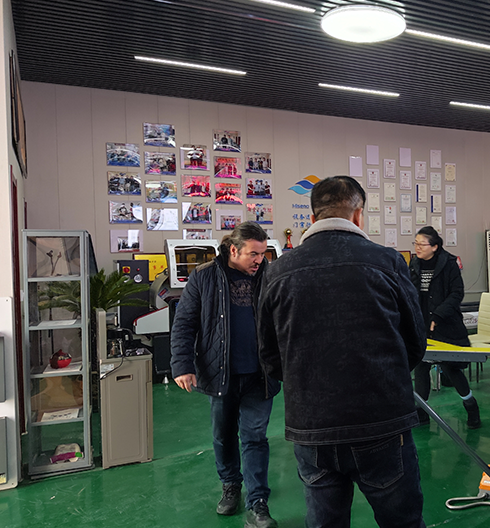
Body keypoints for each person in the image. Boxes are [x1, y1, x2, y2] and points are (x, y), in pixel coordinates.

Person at [258, 175, 427, 528]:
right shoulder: (387, 261)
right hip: (381, 420)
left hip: (312, 425)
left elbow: (270, 355)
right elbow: (415, 342)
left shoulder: (278, 270)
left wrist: (307, 384)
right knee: (402, 522)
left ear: (313, 216)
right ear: (358, 214)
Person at [170, 221, 280, 528]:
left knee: (255, 437)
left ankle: (258, 503)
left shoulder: (270, 276)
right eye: (253, 254)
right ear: (233, 250)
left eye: (263, 253)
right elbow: (184, 323)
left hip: (260, 374)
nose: (259, 260)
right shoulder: (204, 276)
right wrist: (182, 365)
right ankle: (231, 484)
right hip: (220, 373)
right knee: (223, 435)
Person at [409, 226, 481, 429]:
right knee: (421, 367)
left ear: (434, 246)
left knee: (451, 369)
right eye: (415, 243)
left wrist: (439, 315)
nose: (417, 248)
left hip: (446, 325)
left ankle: (471, 406)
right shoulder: (414, 264)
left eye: (422, 244)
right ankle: (421, 412)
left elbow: (457, 293)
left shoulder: (449, 264)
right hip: (422, 324)